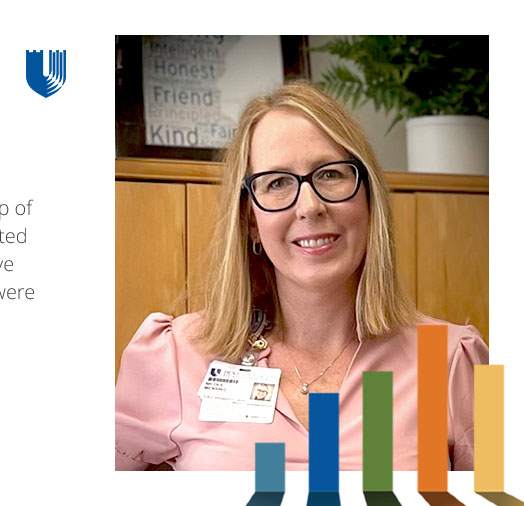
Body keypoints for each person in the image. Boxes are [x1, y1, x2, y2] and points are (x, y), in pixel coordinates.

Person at [114, 81, 488, 471]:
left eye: (331, 174)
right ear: (250, 220)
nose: (310, 206)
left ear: (369, 199)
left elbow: (505, 494)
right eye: (277, 182)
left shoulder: (459, 357)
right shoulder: (174, 354)